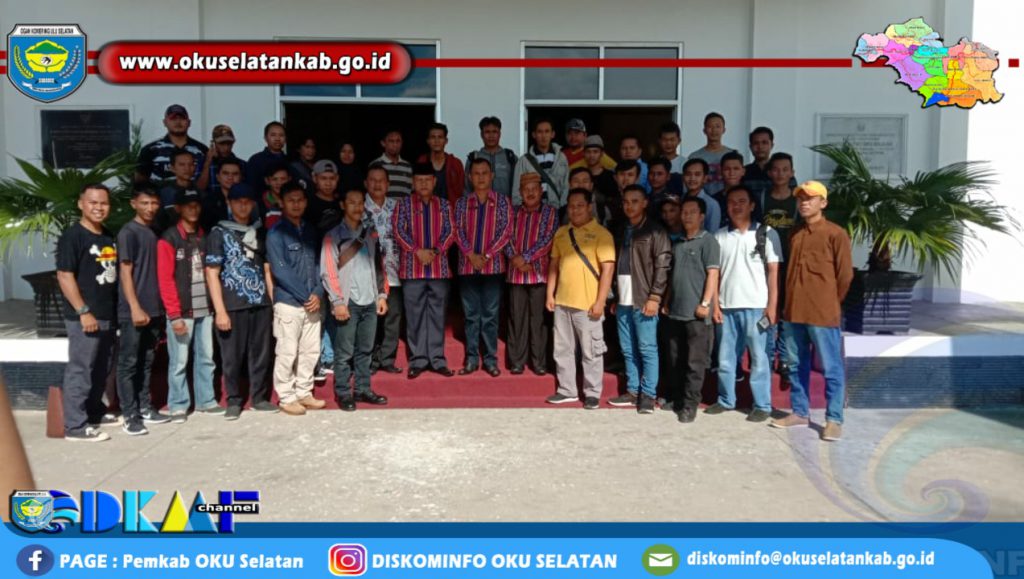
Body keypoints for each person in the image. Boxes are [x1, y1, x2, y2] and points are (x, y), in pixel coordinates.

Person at [771, 181, 853, 441]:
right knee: (796, 365)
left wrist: (830, 302)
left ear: (823, 203)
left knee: (831, 367)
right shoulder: (795, 233)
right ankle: (799, 412)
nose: (804, 203)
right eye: (801, 199)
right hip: (794, 312)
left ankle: (834, 419)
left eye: (810, 198)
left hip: (822, 313)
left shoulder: (835, 234)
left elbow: (845, 276)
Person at [704, 185, 782, 423]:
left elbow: (773, 272)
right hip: (726, 308)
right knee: (725, 359)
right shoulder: (719, 236)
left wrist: (772, 306)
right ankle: (726, 400)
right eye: (731, 202)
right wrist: (715, 306)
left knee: (759, 358)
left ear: (751, 205)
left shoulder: (767, 233)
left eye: (741, 201)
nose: (736, 206)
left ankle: (762, 405)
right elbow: (715, 274)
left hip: (757, 307)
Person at [205, 183, 277, 420]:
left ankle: (259, 398)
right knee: (231, 357)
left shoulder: (260, 231)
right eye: (238, 201)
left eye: (247, 201)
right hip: (232, 304)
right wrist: (220, 311)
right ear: (229, 203)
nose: (243, 206)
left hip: (260, 303)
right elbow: (212, 273)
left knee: (261, 354)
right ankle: (234, 401)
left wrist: (272, 302)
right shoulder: (218, 233)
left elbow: (266, 270)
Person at [55, 184, 119, 442]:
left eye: (104, 203)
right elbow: (64, 275)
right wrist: (83, 311)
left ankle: (94, 412)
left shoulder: (107, 235)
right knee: (81, 369)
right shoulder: (73, 236)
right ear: (81, 204)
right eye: (93, 202)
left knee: (101, 368)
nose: (99, 208)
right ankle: (75, 426)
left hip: (106, 315)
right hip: (84, 316)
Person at [545, 188, 615, 409]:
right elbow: (554, 265)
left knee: (591, 350)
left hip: (588, 304)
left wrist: (600, 301)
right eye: (571, 206)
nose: (575, 210)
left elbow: (608, 270)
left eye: (580, 206)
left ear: (589, 207)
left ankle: (592, 392)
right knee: (562, 349)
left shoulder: (602, 235)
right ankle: (567, 390)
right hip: (562, 302)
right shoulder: (561, 233)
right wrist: (550, 293)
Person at [322, 188, 391, 410]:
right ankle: (343, 392)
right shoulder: (333, 236)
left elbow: (379, 267)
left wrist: (382, 295)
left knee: (365, 350)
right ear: (343, 205)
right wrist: (337, 301)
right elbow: (328, 271)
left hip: (370, 300)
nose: (357, 207)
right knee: (344, 353)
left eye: (360, 202)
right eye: (351, 202)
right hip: (348, 302)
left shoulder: (371, 233)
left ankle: (362, 389)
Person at [158, 188, 221, 422]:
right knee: (179, 361)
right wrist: (174, 315)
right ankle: (178, 404)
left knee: (206, 358)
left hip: (205, 309)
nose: (193, 209)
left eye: (196, 205)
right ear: (178, 208)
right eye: (188, 205)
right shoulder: (169, 238)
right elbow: (165, 279)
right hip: (181, 311)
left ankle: (206, 401)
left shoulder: (205, 236)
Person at [607, 185, 672, 414]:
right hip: (623, 299)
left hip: (644, 298)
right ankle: (633, 390)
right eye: (626, 201)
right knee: (628, 348)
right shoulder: (621, 229)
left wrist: (655, 296)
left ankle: (648, 394)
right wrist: (615, 296)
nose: (629, 206)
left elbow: (663, 265)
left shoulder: (655, 231)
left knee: (647, 348)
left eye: (635, 201)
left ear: (645, 203)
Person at [268, 181, 327, 416]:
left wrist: (318, 292)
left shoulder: (311, 231)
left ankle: (304, 391)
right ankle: (286, 396)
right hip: (289, 303)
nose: (296, 204)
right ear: (281, 202)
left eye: (300, 200)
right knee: (287, 352)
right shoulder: (276, 233)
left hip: (312, 302)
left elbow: (320, 265)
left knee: (310, 351)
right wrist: (307, 296)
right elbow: (280, 271)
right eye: (291, 200)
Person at [392, 163, 456, 378]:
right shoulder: (403, 205)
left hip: (439, 270)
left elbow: (451, 231)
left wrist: (435, 251)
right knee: (415, 316)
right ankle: (418, 360)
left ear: (434, 181)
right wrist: (417, 251)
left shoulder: (444, 205)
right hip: (412, 270)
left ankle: (437, 359)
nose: (423, 184)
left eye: (427, 180)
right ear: (413, 182)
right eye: (419, 180)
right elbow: (398, 231)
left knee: (438, 315)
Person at [116, 183, 168, 434]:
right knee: (128, 363)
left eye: (154, 203)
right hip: (133, 311)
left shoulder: (155, 230)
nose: (150, 208)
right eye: (145, 203)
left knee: (147, 360)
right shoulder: (128, 232)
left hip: (155, 308)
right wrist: (135, 307)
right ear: (133, 204)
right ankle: (130, 415)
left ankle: (145, 407)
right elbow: (125, 272)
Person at [663, 196, 720, 423]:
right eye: (684, 212)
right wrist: (667, 301)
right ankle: (676, 398)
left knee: (695, 362)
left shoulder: (708, 241)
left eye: (692, 212)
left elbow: (713, 274)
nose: (687, 216)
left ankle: (690, 404)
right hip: (675, 311)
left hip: (697, 314)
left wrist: (705, 303)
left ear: (702, 216)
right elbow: (672, 277)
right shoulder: (677, 243)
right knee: (675, 358)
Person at [454, 158, 513, 376]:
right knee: (471, 315)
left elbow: (506, 232)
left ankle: (490, 360)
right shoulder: (462, 203)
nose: (480, 177)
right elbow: (456, 230)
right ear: (470, 177)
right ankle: (471, 359)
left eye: (484, 173)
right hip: (467, 266)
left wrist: (486, 255)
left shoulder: (503, 202)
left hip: (493, 267)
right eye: (476, 173)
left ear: (492, 176)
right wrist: (470, 254)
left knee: (490, 315)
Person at [505, 173, 557, 375]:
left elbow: (548, 239)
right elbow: (506, 237)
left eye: (534, 188)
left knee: (538, 320)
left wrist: (525, 258)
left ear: (541, 190)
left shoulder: (549, 212)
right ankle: (517, 361)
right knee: (516, 319)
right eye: (526, 189)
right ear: (520, 192)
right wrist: (515, 258)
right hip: (516, 274)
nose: (530, 193)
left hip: (539, 274)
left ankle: (539, 362)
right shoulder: (512, 212)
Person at [363, 164, 404, 375]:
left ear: (388, 184)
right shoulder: (359, 207)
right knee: (370, 319)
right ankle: (369, 360)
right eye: (373, 180)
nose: (377, 184)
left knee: (392, 318)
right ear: (365, 183)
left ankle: (387, 359)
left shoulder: (398, 207)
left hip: (394, 272)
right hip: (367, 274)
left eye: (381, 180)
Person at [136, 104, 208, 189]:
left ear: (189, 122)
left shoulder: (202, 150)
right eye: (173, 119)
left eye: (182, 118)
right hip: (160, 196)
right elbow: (140, 181)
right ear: (165, 122)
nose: (178, 122)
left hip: (194, 196)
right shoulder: (150, 150)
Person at [513, 118, 569, 208]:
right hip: (532, 211)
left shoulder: (561, 158)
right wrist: (521, 210)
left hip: (557, 209)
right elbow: (517, 190)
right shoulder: (524, 161)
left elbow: (566, 186)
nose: (543, 136)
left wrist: (563, 208)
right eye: (540, 132)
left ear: (552, 134)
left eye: (547, 131)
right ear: (534, 135)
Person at [466, 116, 518, 199]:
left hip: (505, 205)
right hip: (479, 205)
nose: (491, 136)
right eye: (487, 132)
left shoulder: (510, 157)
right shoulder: (474, 158)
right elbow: (467, 188)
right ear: (481, 135)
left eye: (494, 132)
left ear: (500, 134)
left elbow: (517, 186)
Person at [687, 112, 736, 198]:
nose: (714, 130)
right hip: (701, 200)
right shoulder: (694, 157)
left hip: (728, 198)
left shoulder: (732, 154)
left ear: (724, 130)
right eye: (710, 127)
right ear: (704, 130)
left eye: (717, 126)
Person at [417, 122, 465, 204]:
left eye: (440, 137)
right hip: (426, 209)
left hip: (451, 209)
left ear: (446, 141)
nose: (436, 141)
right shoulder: (422, 161)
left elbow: (461, 191)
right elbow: (417, 189)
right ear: (428, 141)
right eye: (433, 137)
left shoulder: (455, 163)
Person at [742, 126, 794, 201]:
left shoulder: (784, 172)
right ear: (750, 147)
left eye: (764, 143)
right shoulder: (744, 172)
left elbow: (793, 197)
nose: (760, 147)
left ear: (772, 145)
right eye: (756, 143)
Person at [156, 148, 200, 231]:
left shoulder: (200, 192)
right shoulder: (164, 193)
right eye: (182, 165)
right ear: (172, 168)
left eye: (191, 164)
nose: (187, 168)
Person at [202, 124, 246, 196]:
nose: (226, 147)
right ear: (213, 144)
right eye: (222, 143)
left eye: (229, 143)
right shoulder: (203, 162)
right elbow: (199, 188)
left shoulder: (242, 164)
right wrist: (207, 163)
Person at [681, 158, 722, 233]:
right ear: (683, 177)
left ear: (705, 178)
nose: (692, 178)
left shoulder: (712, 204)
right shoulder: (679, 200)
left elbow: (712, 234)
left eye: (697, 174)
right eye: (688, 174)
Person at [305, 159, 343, 238]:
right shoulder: (308, 204)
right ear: (315, 178)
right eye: (323, 178)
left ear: (337, 178)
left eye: (332, 178)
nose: (328, 183)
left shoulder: (342, 203)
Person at [203, 158, 243, 233]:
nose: (230, 177)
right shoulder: (208, 201)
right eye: (225, 173)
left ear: (240, 177)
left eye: (235, 174)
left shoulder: (248, 201)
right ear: (218, 177)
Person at [246, 121, 287, 191]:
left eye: (281, 135)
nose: (277, 139)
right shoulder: (256, 160)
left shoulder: (290, 160)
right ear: (265, 138)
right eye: (273, 135)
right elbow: (251, 187)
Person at [374, 128, 413, 197]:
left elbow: (410, 192)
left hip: (403, 204)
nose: (395, 144)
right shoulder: (375, 165)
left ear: (402, 143)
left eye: (398, 141)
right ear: (383, 143)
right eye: (391, 141)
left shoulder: (408, 166)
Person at [717, 151, 746, 226]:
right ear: (720, 171)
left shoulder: (752, 198)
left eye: (736, 169)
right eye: (727, 169)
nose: (731, 173)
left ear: (743, 171)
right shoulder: (714, 201)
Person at [261, 163, 290, 230]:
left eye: (283, 179)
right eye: (274, 179)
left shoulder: (296, 201)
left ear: (289, 179)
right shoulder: (259, 204)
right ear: (267, 181)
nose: (279, 183)